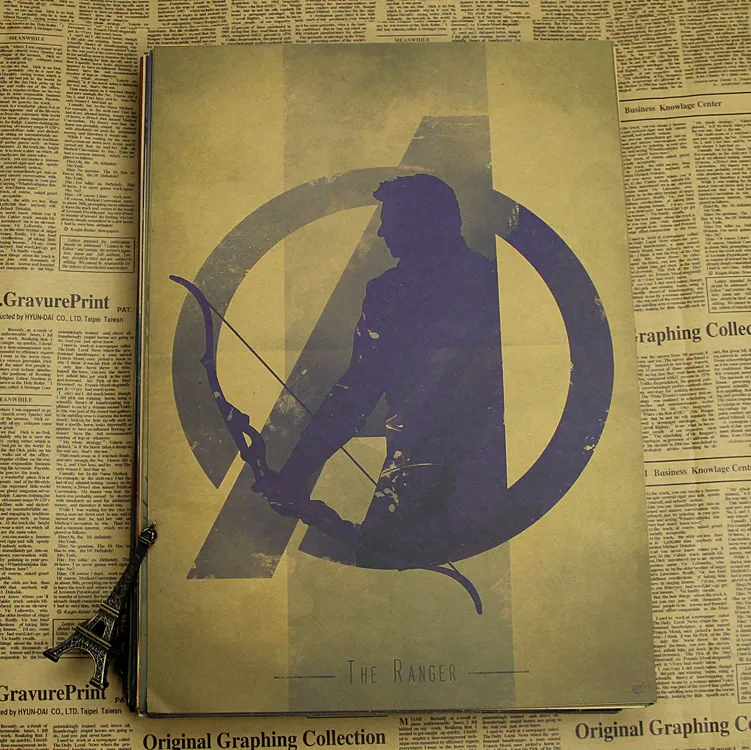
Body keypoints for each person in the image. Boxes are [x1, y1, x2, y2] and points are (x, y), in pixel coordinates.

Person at [262, 173, 505, 567]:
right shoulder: (485, 280)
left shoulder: (479, 285)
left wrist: (295, 473)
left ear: (425, 224)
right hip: (456, 469)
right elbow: (356, 392)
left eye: (393, 221)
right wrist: (295, 473)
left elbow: (356, 392)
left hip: (453, 470)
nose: (382, 232)